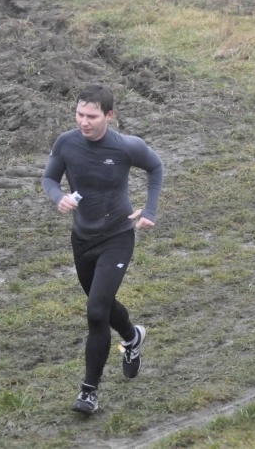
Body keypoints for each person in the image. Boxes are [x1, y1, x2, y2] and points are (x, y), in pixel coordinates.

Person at [41, 84, 164, 414]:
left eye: (92, 116)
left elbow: (155, 167)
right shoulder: (66, 143)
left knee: (96, 312)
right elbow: (49, 179)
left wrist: (149, 211)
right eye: (80, 114)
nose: (84, 121)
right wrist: (58, 197)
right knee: (103, 306)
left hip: (117, 237)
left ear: (109, 116)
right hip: (82, 239)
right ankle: (132, 337)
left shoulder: (126, 146)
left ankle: (89, 391)